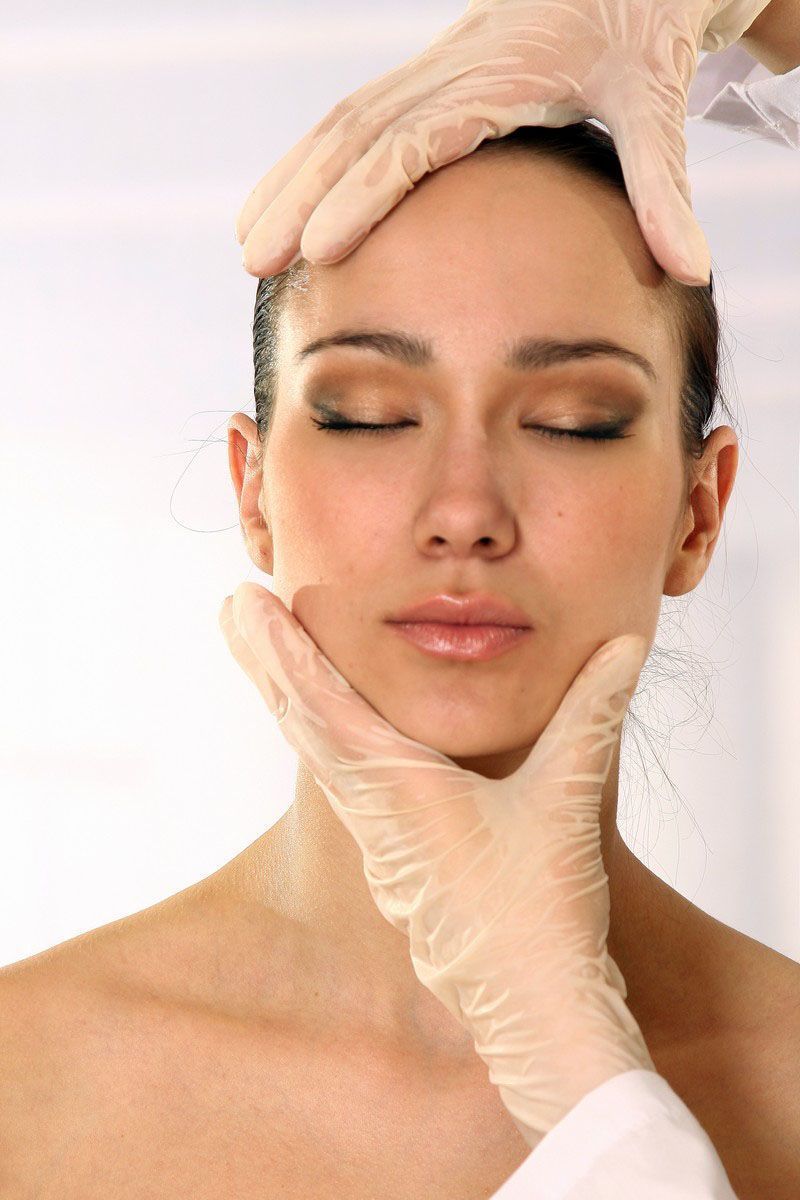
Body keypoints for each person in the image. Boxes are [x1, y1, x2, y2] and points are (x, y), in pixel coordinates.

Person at [1, 11, 798, 1200]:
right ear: (253, 493)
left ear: (698, 511)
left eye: (573, 423)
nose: (462, 511)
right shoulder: (24, 1084)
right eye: (366, 415)